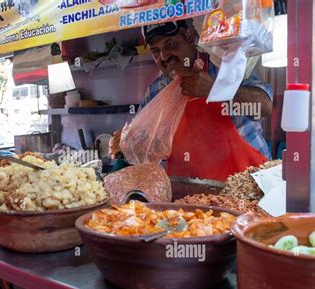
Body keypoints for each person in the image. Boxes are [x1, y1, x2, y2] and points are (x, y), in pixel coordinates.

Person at [110, 20, 273, 181]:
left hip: (248, 183)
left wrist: (215, 90)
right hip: (190, 193)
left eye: (169, 44)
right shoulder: (156, 91)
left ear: (188, 36)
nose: (164, 56)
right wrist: (126, 144)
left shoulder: (223, 67)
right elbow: (144, 145)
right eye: (155, 51)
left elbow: (264, 106)